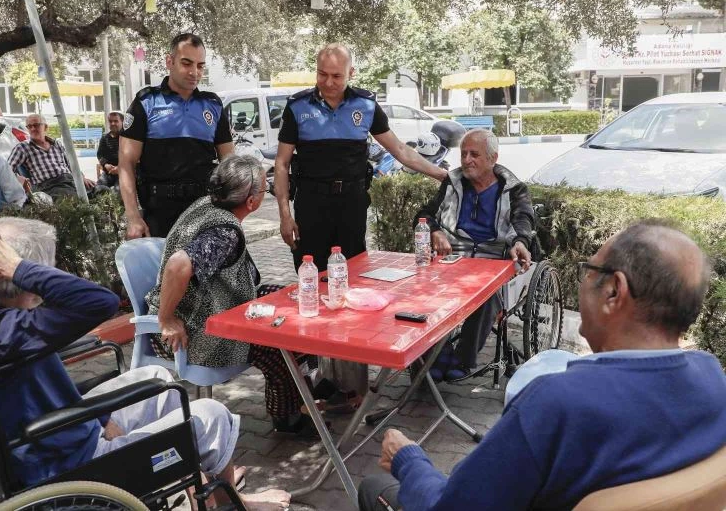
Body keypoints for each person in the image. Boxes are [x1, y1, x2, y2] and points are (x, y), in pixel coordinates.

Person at [358, 220, 726, 511]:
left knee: (375, 486)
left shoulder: (555, 404)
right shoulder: (712, 377)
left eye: (588, 270)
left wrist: (407, 459)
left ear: (614, 292)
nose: (583, 280)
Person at [0, 217, 289, 510]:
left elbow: (35, 391)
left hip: (43, 439)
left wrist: (101, 419)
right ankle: (230, 502)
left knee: (156, 376)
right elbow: (99, 302)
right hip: (70, 464)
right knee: (210, 415)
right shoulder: (6, 332)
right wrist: (18, 267)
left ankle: (207, 487)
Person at [147, 155, 313, 435]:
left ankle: (304, 387)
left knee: (287, 300)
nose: (267, 191)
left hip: (213, 308)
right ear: (252, 201)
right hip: (196, 332)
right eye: (265, 188)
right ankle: (288, 417)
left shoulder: (208, 203)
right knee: (278, 343)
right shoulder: (224, 233)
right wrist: (166, 319)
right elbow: (178, 265)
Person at [275, 43, 448, 271]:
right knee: (310, 272)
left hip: (351, 205)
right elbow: (282, 164)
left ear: (351, 73)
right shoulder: (297, 107)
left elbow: (399, 149)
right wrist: (285, 216)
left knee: (353, 272)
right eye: (322, 74)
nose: (328, 82)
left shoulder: (366, 105)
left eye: (337, 76)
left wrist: (442, 175)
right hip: (311, 205)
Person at [414, 128, 534, 381]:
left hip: (493, 259)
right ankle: (437, 355)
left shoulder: (514, 189)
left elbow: (523, 220)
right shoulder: (453, 182)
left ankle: (462, 358)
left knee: (486, 295)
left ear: (493, 158)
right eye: (463, 154)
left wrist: (520, 241)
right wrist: (435, 230)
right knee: (423, 289)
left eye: (474, 154)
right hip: (454, 258)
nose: (466, 160)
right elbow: (423, 214)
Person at [119, 33, 234, 239]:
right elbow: (126, 163)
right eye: (186, 63)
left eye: (200, 66)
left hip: (204, 211)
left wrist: (232, 210)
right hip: (159, 215)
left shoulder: (213, 105)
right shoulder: (146, 102)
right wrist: (133, 217)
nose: (194, 72)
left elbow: (229, 164)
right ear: (169, 62)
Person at [7, 113, 96, 201]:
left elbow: (71, 165)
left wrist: (82, 178)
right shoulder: (22, 147)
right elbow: (7, 170)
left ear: (45, 127)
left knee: (99, 189)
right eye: (29, 126)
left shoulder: (57, 144)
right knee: (72, 197)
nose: (33, 129)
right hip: (49, 186)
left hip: (70, 181)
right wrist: (18, 178)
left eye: (36, 125)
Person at [96, 111, 123, 188]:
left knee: (118, 190)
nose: (112, 123)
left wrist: (119, 168)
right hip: (108, 172)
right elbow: (100, 154)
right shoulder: (105, 137)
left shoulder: (127, 137)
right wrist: (105, 165)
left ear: (122, 122)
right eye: (110, 121)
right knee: (99, 188)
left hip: (123, 172)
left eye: (116, 121)